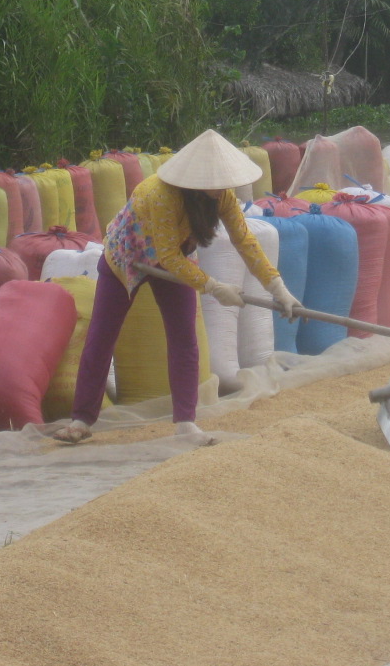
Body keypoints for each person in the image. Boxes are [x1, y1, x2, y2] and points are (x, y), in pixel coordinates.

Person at [53, 130, 301, 445]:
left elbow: (245, 241)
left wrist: (277, 287)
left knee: (184, 339)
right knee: (102, 336)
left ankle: (186, 421)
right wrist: (213, 286)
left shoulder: (221, 196)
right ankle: (81, 419)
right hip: (128, 255)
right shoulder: (161, 194)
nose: (221, 187)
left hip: (177, 256)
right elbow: (166, 255)